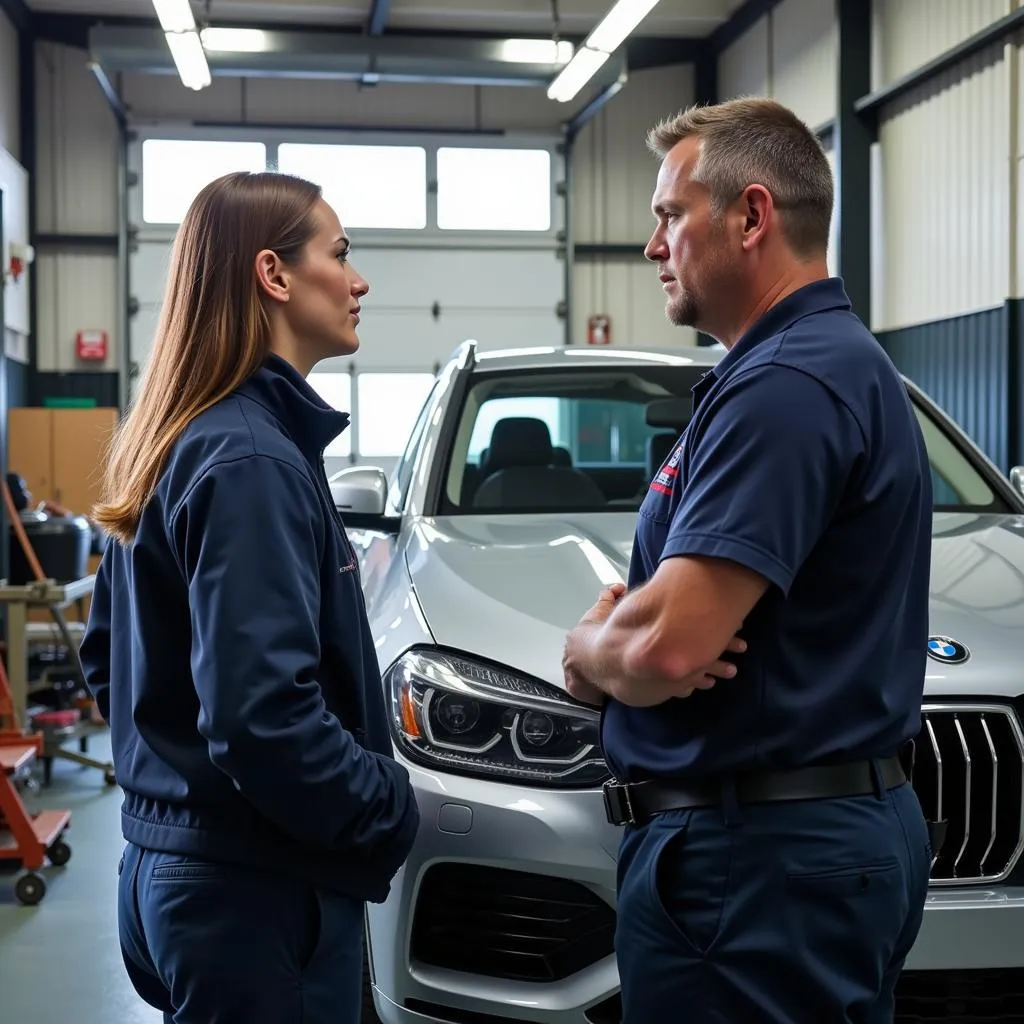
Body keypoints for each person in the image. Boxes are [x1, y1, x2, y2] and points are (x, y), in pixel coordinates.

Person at [561, 97, 933, 1023]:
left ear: (752, 216)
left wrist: (587, 650)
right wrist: (638, 638)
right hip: (789, 849)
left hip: (756, 866)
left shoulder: (785, 388)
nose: (653, 246)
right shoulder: (820, 368)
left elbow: (668, 649)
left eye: (669, 216)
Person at [79, 171, 420, 1024]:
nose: (358, 280)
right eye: (339, 256)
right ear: (274, 275)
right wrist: (388, 807)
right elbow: (263, 719)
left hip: (175, 871)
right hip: (253, 891)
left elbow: (105, 656)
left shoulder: (181, 439)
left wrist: (178, 786)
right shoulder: (251, 460)